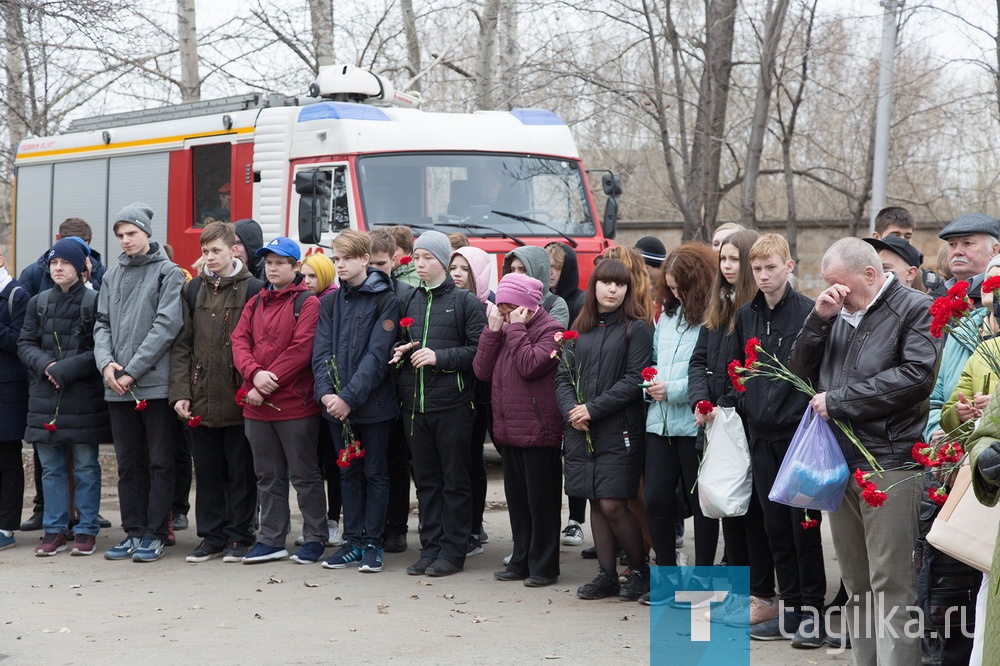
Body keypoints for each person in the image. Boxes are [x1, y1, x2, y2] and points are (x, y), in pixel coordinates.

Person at [789, 237, 940, 664]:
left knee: (892, 584)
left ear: (870, 275)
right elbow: (797, 374)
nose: (834, 293)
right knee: (856, 584)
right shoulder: (837, 312)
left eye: (840, 284)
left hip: (890, 461)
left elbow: (916, 377)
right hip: (843, 461)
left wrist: (839, 401)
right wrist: (818, 321)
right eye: (827, 285)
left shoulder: (914, 307)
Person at [728, 234, 826, 647]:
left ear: (789, 266)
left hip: (798, 437)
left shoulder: (808, 313)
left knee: (802, 526)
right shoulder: (746, 314)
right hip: (760, 436)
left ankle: (812, 613)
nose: (764, 276)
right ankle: (789, 610)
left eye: (772, 267)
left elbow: (817, 371)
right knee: (774, 528)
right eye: (758, 269)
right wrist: (745, 401)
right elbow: (734, 367)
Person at [688, 228, 777, 627]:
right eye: (722, 259)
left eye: (734, 259)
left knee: (754, 513)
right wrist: (701, 402)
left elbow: (757, 372)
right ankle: (740, 593)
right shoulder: (719, 307)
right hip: (719, 424)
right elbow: (698, 362)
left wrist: (729, 405)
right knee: (730, 511)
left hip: (751, 424)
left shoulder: (756, 311)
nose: (726, 266)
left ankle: (762, 594)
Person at [391, 230, 486, 577]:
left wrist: (439, 356)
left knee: (454, 480)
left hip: (453, 405)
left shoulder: (465, 302)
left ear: (444, 261)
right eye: (416, 258)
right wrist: (401, 352)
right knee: (426, 482)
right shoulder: (409, 299)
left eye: (427, 258)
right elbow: (400, 343)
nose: (420, 264)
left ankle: (453, 551)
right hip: (415, 405)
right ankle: (430, 547)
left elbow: (479, 354)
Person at [94, 203, 186, 563]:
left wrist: (132, 370)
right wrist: (106, 365)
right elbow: (101, 324)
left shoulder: (169, 273)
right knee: (128, 462)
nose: (125, 240)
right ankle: (132, 531)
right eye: (120, 235)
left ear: (146, 232)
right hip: (116, 386)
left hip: (154, 387)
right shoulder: (110, 276)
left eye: (131, 233)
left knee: (161, 461)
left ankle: (155, 533)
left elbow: (166, 327)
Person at [557, 258, 653, 602]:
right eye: (606, 283)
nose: (612, 290)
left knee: (614, 503)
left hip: (619, 430)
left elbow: (634, 380)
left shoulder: (636, 328)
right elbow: (563, 376)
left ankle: (641, 571)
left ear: (628, 289)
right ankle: (606, 575)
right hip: (580, 430)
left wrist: (592, 409)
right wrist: (573, 411)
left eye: (620, 284)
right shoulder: (578, 327)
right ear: (593, 286)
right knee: (596, 503)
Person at [169, 222, 262, 564]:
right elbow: (182, 346)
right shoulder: (193, 290)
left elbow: (260, 344)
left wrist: (253, 386)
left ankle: (240, 535)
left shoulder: (253, 288)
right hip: (201, 395)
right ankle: (211, 536)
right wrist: (181, 392)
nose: (209, 258)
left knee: (240, 470)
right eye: (205, 251)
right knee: (207, 472)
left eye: (216, 251)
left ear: (233, 250)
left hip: (240, 396)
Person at [231, 237, 327, 565]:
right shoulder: (256, 302)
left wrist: (264, 383)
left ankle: (315, 537)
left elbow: (301, 350)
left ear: (296, 267)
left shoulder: (308, 303)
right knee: (267, 475)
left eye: (280, 262)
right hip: (256, 406)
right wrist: (254, 374)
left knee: (304, 474)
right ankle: (271, 538)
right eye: (269, 262)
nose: (273, 268)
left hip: (294, 405)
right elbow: (238, 341)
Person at [312, 230, 399, 573]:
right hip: (336, 406)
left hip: (373, 405)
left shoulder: (385, 299)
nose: (340, 265)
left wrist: (348, 397)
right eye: (336, 259)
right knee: (347, 473)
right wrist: (327, 395)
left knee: (376, 473)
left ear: (365, 259)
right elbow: (320, 353)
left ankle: (373, 544)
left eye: (346, 258)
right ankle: (351, 542)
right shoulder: (331, 301)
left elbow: (378, 356)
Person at [17, 239, 109, 556]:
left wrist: (65, 369)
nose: (58, 268)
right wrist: (47, 366)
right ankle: (54, 530)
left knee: (85, 466)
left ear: (82, 268)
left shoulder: (95, 301)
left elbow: (100, 348)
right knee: (51, 468)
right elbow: (25, 343)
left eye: (65, 263)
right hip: (45, 397)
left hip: (83, 398)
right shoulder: (38, 302)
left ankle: (85, 530)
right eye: (54, 263)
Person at [474, 273, 563, 587]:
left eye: (510, 306)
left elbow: (529, 365)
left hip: (539, 431)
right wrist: (492, 332)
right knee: (519, 503)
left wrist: (514, 329)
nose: (504, 312)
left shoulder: (551, 330)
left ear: (526, 307)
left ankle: (545, 566)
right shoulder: (505, 328)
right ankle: (520, 560)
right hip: (510, 430)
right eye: (501, 306)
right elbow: (482, 371)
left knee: (542, 503)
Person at [642, 243, 718, 603]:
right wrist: (650, 382)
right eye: (669, 287)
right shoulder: (667, 316)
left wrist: (670, 389)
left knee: (702, 506)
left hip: (693, 424)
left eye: (680, 287)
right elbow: (656, 359)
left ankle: (703, 579)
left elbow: (708, 373)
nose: (674, 293)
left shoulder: (712, 318)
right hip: (660, 425)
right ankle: (667, 578)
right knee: (655, 500)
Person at [369, 229, 413, 553]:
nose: (373, 270)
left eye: (380, 263)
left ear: (396, 260)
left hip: (396, 388)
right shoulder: (355, 293)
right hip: (364, 389)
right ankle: (368, 526)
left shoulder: (405, 293)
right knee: (368, 464)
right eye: (368, 263)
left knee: (396, 462)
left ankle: (396, 527)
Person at [450, 246, 496, 555]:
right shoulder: (444, 302)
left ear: (477, 274)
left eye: (464, 269)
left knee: (472, 461)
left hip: (479, 396)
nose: (456, 274)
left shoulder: (490, 309)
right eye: (453, 267)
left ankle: (473, 526)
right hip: (450, 395)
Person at [298, 252, 344, 548]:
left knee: (334, 463)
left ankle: (334, 520)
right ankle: (313, 521)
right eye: (303, 276)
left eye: (313, 276)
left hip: (331, 394)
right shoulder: (302, 302)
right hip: (306, 395)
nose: (307, 282)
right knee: (310, 464)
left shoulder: (335, 301)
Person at [546, 241, 587, 547]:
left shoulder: (580, 302)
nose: (550, 274)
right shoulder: (541, 300)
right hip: (544, 387)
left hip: (572, 384)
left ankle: (576, 520)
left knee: (575, 455)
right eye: (546, 266)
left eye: (556, 268)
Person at [0, 247, 29, 550]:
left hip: (8, 391)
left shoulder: (17, 295)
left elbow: (19, 340)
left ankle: (7, 526)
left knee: (8, 459)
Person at [502, 246, 569, 327]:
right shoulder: (505, 302)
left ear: (538, 271)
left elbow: (551, 338)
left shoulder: (555, 304)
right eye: (512, 269)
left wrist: (517, 326)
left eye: (522, 269)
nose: (515, 274)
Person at [939, 213, 1000, 301]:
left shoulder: (995, 296)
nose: (957, 251)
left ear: (994, 250)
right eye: (952, 244)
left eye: (968, 243)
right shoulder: (934, 298)